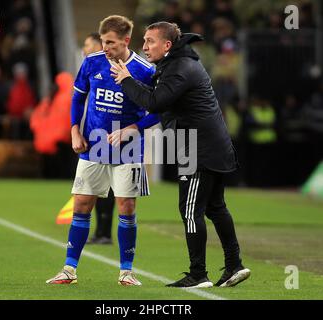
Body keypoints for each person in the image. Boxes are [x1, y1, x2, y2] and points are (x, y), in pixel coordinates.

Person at [111, 21, 250, 288]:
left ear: (167, 45)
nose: (144, 46)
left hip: (198, 150)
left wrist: (126, 79)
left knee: (190, 210)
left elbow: (154, 102)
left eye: (150, 41)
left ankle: (198, 274)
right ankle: (234, 265)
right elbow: (158, 99)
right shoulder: (180, 63)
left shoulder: (180, 68)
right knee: (215, 207)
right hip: (212, 146)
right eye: (144, 40)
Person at [46, 15, 159, 286]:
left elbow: (160, 109)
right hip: (93, 145)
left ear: (125, 41)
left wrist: (135, 128)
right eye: (103, 41)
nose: (105, 47)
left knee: (127, 206)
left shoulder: (146, 70)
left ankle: (126, 272)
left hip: (129, 149)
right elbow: (78, 96)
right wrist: (74, 129)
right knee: (82, 204)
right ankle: (69, 270)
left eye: (110, 42)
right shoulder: (91, 62)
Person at [82, 32, 115, 245]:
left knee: (107, 186)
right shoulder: (90, 68)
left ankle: (105, 232)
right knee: (94, 185)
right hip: (93, 134)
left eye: (87, 44)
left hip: (109, 135)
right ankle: (101, 232)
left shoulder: (109, 68)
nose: (84, 49)